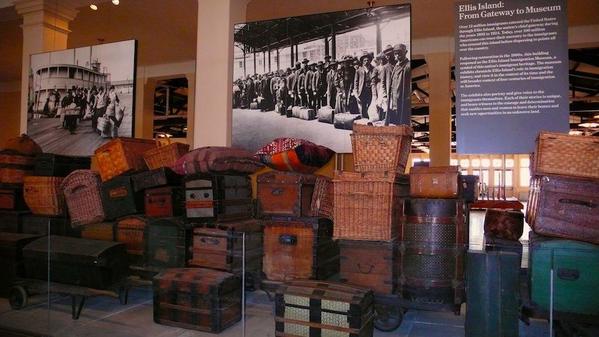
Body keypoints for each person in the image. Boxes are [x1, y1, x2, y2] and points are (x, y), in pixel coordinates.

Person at [388, 44, 411, 126]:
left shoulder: (408, 66)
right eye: (395, 53)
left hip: (403, 100)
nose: (397, 56)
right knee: (395, 122)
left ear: (405, 52)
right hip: (394, 100)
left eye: (399, 53)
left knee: (403, 122)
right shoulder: (396, 66)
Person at [353, 51, 374, 118]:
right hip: (362, 90)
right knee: (363, 105)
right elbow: (356, 82)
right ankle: (364, 118)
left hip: (371, 90)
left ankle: (369, 118)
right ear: (362, 61)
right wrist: (356, 91)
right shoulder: (359, 70)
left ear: (370, 61)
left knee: (370, 104)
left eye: (368, 60)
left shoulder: (373, 69)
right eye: (364, 60)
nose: (366, 62)